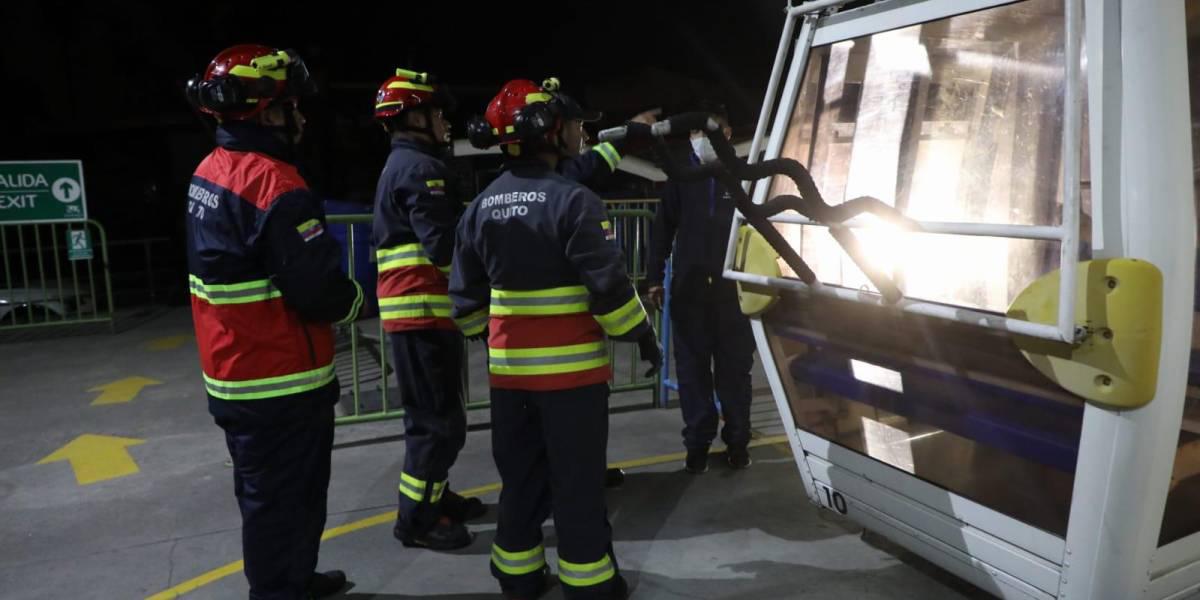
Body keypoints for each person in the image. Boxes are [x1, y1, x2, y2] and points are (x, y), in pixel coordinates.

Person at [455, 79, 662, 600]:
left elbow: (465, 300)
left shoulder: (480, 205)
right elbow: (609, 290)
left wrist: (486, 332)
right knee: (576, 482)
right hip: (572, 381)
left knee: (520, 478)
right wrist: (641, 335)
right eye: (576, 125)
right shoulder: (575, 203)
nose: (583, 133)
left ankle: (518, 576)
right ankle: (588, 582)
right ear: (551, 132)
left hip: (509, 379)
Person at [184, 44, 363, 599]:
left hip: (237, 373)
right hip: (280, 382)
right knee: (287, 499)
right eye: (290, 106)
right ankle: (279, 591)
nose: (300, 117)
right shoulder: (276, 185)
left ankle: (294, 580)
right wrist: (357, 299)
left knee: (268, 498)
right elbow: (318, 291)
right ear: (263, 112)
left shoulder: (210, 170)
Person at [371, 68, 483, 551]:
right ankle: (416, 520)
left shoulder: (405, 165)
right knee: (438, 423)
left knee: (436, 417)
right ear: (413, 117)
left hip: (417, 313)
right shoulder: (421, 170)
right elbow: (443, 249)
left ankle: (434, 496)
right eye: (436, 112)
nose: (444, 121)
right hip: (422, 313)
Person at [646, 103, 756, 474]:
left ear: (726, 136)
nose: (700, 140)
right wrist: (652, 277)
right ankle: (697, 445)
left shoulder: (743, 175)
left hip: (733, 294)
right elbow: (662, 229)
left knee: (735, 371)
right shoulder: (682, 176)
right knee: (692, 373)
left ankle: (738, 442)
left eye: (708, 133)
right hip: (690, 292)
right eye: (695, 134)